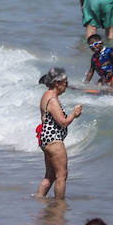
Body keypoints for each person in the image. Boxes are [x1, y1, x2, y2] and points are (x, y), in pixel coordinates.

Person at [32, 68, 79, 199]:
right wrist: (74, 114)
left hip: (46, 139)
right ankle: (59, 205)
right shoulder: (52, 99)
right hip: (54, 140)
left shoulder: (46, 96)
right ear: (57, 83)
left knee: (50, 176)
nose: (67, 86)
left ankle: (39, 198)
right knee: (61, 176)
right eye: (65, 83)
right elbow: (63, 122)